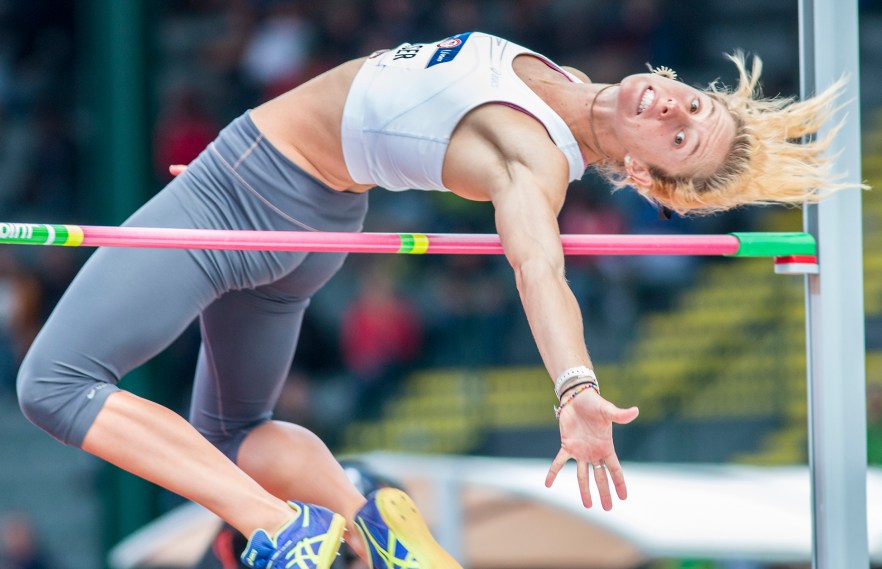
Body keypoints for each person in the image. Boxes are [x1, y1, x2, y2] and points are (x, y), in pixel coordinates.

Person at [17, 31, 849, 569]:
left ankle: (279, 525)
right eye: (691, 107)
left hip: (250, 191)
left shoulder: (534, 159)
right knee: (226, 441)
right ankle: (362, 511)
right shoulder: (565, 82)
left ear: (640, 174)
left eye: (676, 140)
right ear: (676, 79)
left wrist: (576, 385)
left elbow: (539, 266)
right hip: (317, 220)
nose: (672, 110)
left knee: (53, 384)